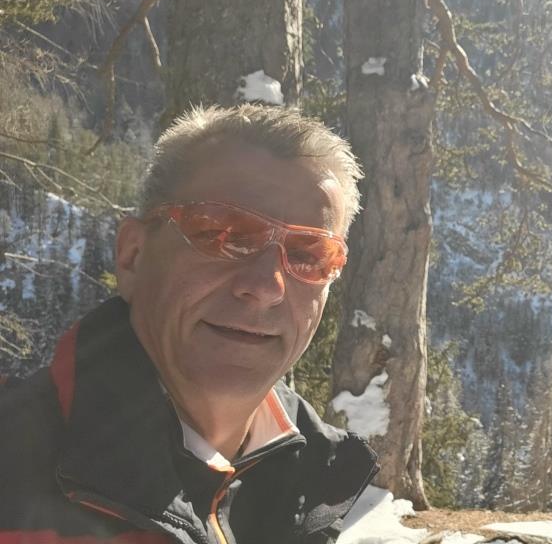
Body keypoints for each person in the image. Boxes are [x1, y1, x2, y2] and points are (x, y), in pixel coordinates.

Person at [0, 105, 378, 544]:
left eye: (309, 255)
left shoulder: (316, 487)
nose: (266, 286)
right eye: (222, 234)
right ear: (133, 256)